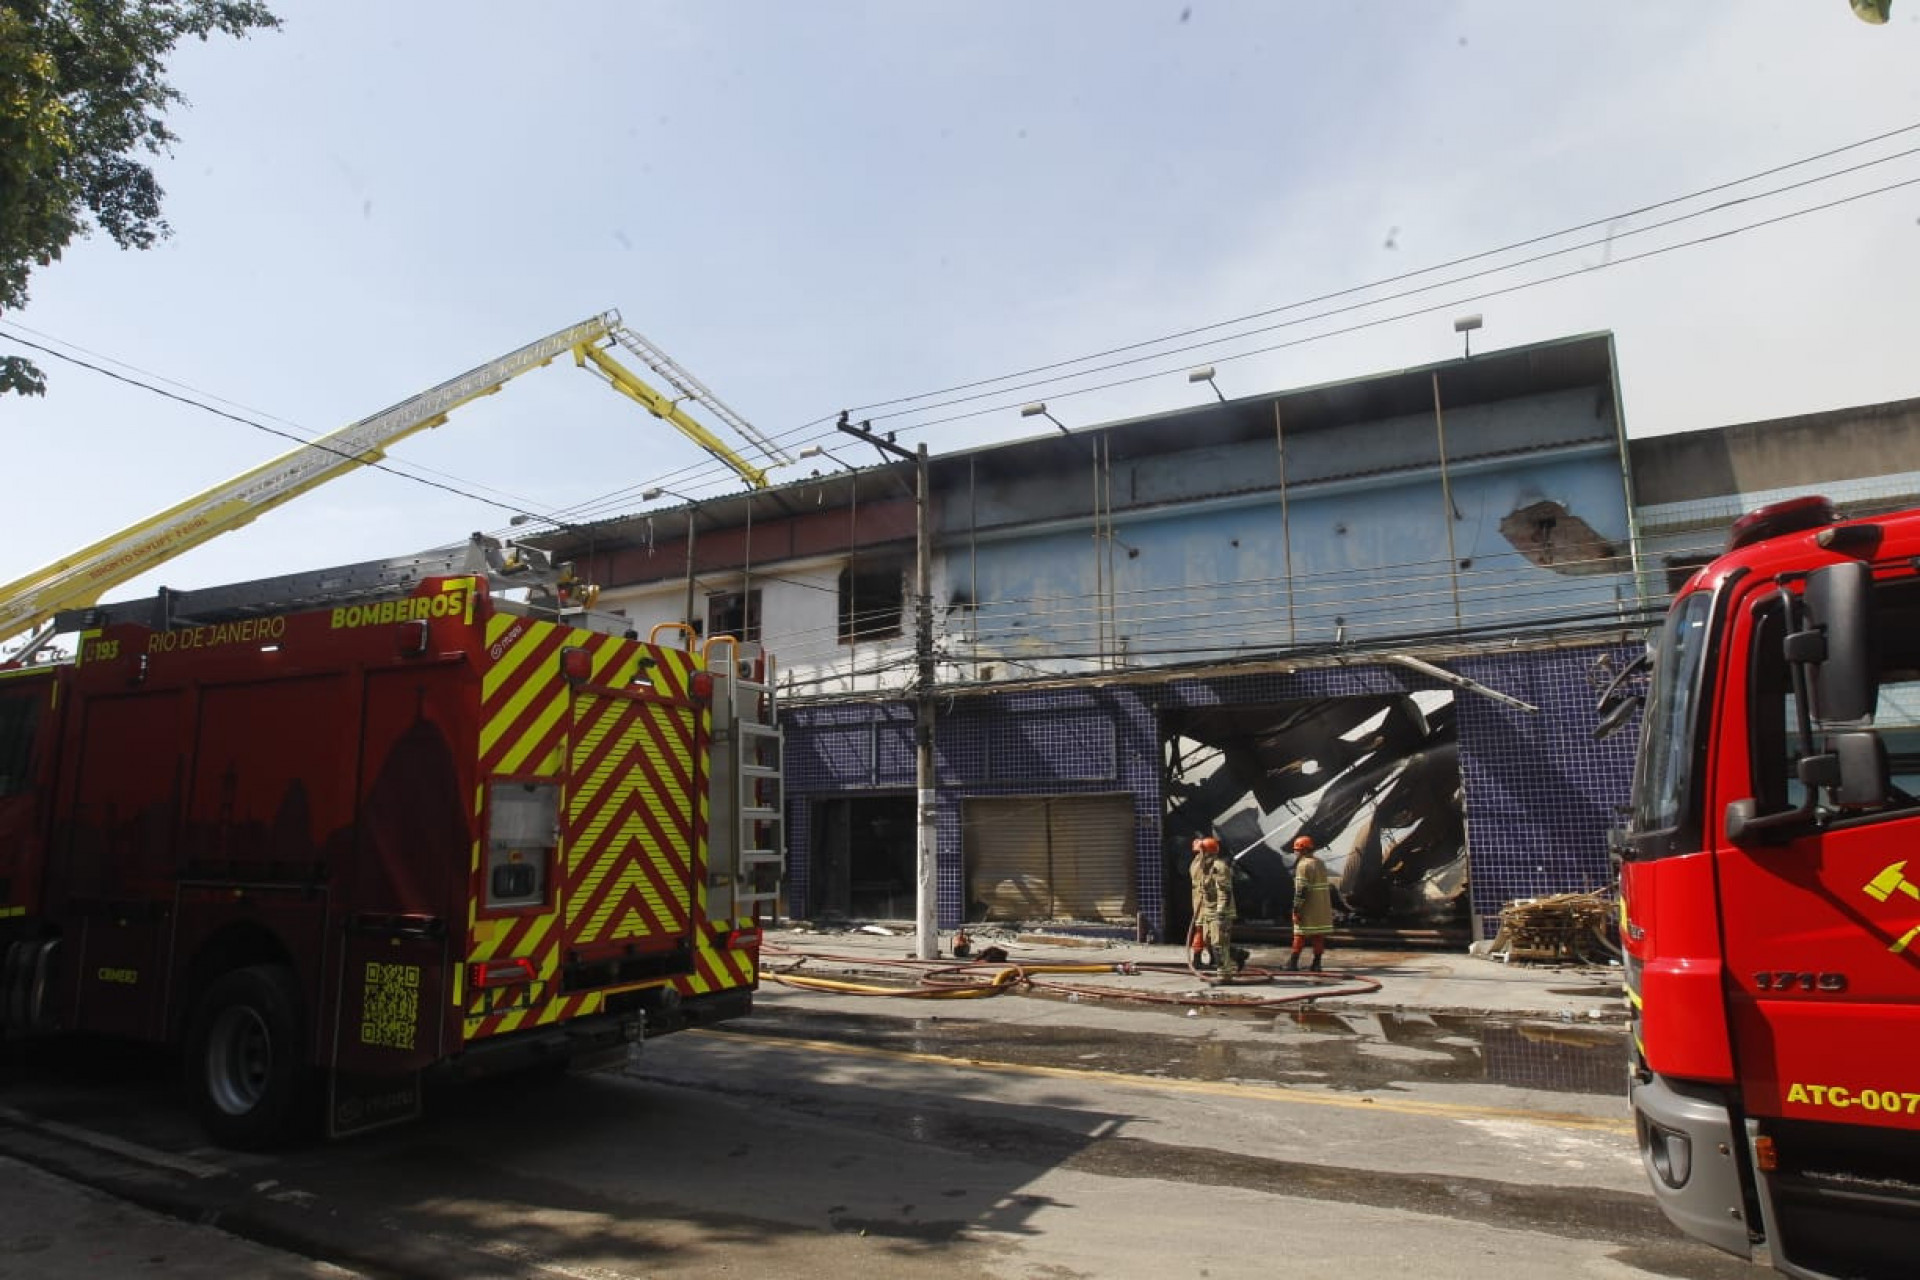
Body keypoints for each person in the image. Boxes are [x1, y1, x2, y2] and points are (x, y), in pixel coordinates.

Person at [1288, 834, 1333, 972]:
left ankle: (1293, 963)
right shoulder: (1320, 863)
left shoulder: (1303, 865)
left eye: (1296, 849)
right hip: (1322, 907)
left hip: (1308, 907)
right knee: (1318, 935)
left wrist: (1296, 909)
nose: (1295, 852)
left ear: (1303, 850)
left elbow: (1301, 890)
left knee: (1299, 934)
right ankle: (1317, 964)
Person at [1199, 838, 1239, 978]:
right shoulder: (1206, 867)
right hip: (1209, 910)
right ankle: (1236, 957)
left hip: (1219, 911)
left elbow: (1224, 892)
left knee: (1219, 942)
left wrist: (1221, 912)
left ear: (1207, 852)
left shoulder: (1219, 867)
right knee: (1208, 939)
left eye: (1201, 851)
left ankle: (1225, 973)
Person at [1188, 836, 1217, 968]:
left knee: (1207, 931)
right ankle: (1197, 959)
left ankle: (1212, 958)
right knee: (1203, 930)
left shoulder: (1197, 863)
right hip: (1204, 903)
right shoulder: (1202, 865)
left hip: (1202, 902)